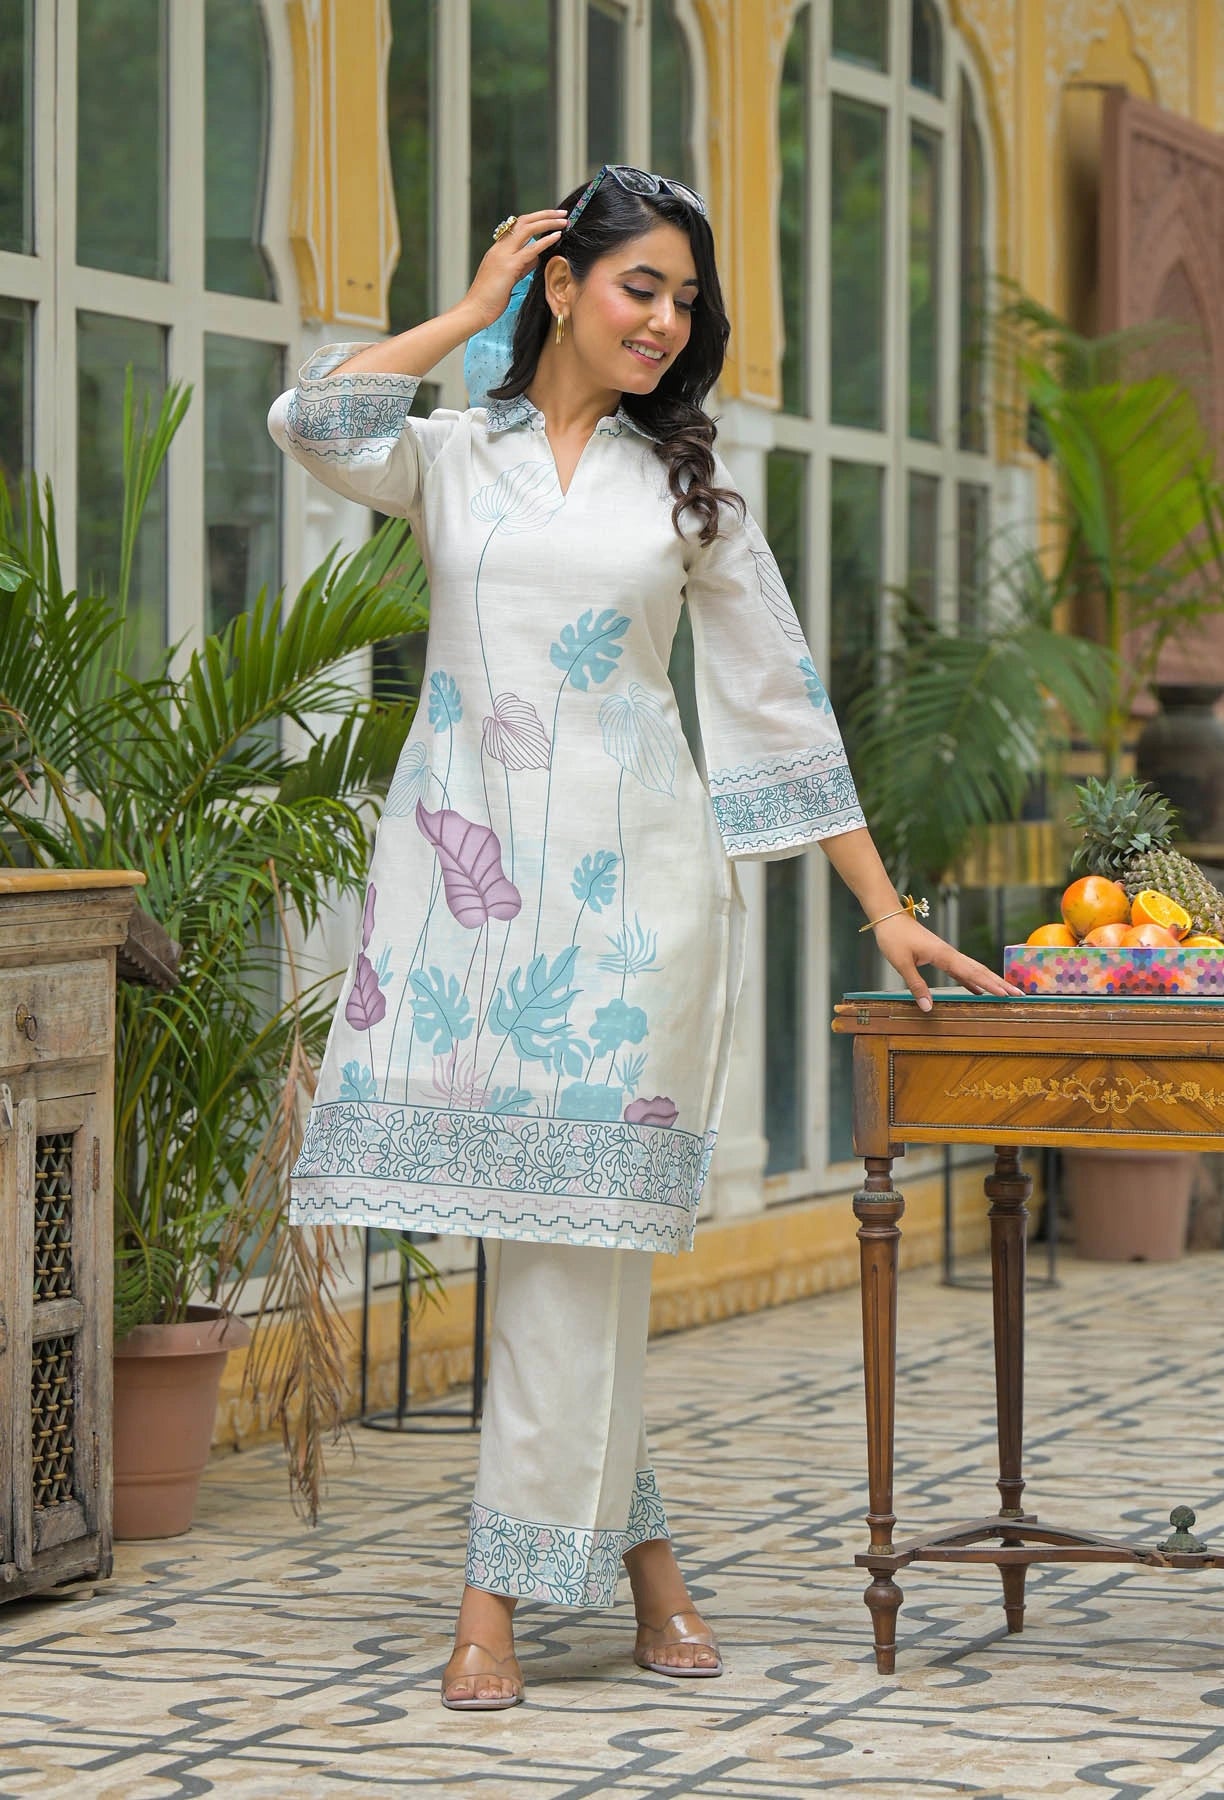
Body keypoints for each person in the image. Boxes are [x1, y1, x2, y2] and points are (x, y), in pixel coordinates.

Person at [268, 164, 1017, 1712]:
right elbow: (311, 421)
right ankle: (649, 1564)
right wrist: (465, 313)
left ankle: (492, 1600)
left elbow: (780, 713)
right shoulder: (453, 462)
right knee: (563, 1262)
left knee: (567, 1259)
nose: (669, 323)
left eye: (688, 301)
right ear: (561, 284)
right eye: (640, 289)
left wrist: (888, 912)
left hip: (628, 916)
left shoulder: (688, 489)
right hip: (460, 902)